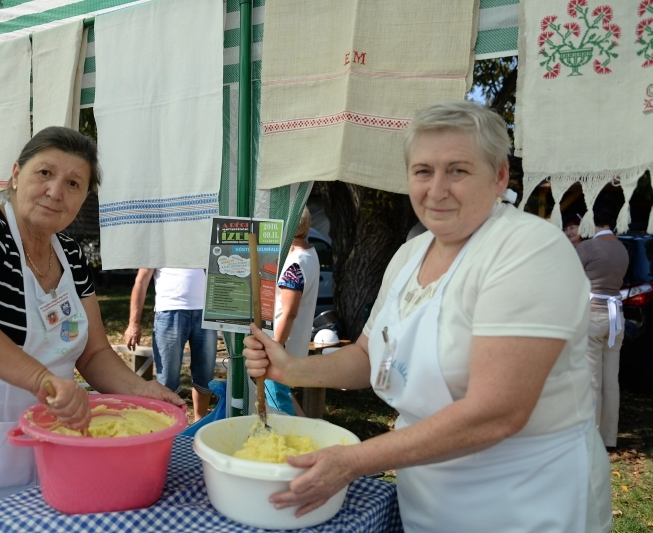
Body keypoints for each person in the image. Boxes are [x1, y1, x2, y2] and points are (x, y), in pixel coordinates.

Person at [243, 101, 611, 532]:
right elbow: (369, 355)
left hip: (525, 501)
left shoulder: (529, 250)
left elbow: (497, 412)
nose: (437, 189)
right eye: (423, 171)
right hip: (429, 498)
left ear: (499, 177)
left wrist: (352, 462)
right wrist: (292, 369)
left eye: (457, 170)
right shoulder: (410, 254)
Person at [0, 127, 183, 515]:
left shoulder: (71, 256)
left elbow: (93, 353)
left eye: (73, 183)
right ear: (16, 174)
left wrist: (141, 390)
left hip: (37, 445)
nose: (56, 191)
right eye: (45, 173)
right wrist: (42, 380)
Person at [124, 268, 216, 421]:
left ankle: (199, 424)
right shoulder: (158, 244)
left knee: (205, 374)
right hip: (169, 312)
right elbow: (141, 280)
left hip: (205, 313)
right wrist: (133, 323)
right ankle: (169, 424)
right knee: (167, 379)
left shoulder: (201, 242)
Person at [577, 201, 629, 448]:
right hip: (616, 318)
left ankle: (592, 439)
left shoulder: (588, 247)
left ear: (590, 220)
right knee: (611, 380)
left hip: (593, 316)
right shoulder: (623, 249)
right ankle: (609, 438)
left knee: (593, 380)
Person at [265, 207, 320, 415]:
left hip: (283, 343)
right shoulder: (310, 253)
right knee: (284, 395)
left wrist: (274, 348)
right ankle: (309, 433)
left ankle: (300, 445)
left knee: (279, 407)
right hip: (293, 342)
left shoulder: (294, 263)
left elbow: (289, 312)